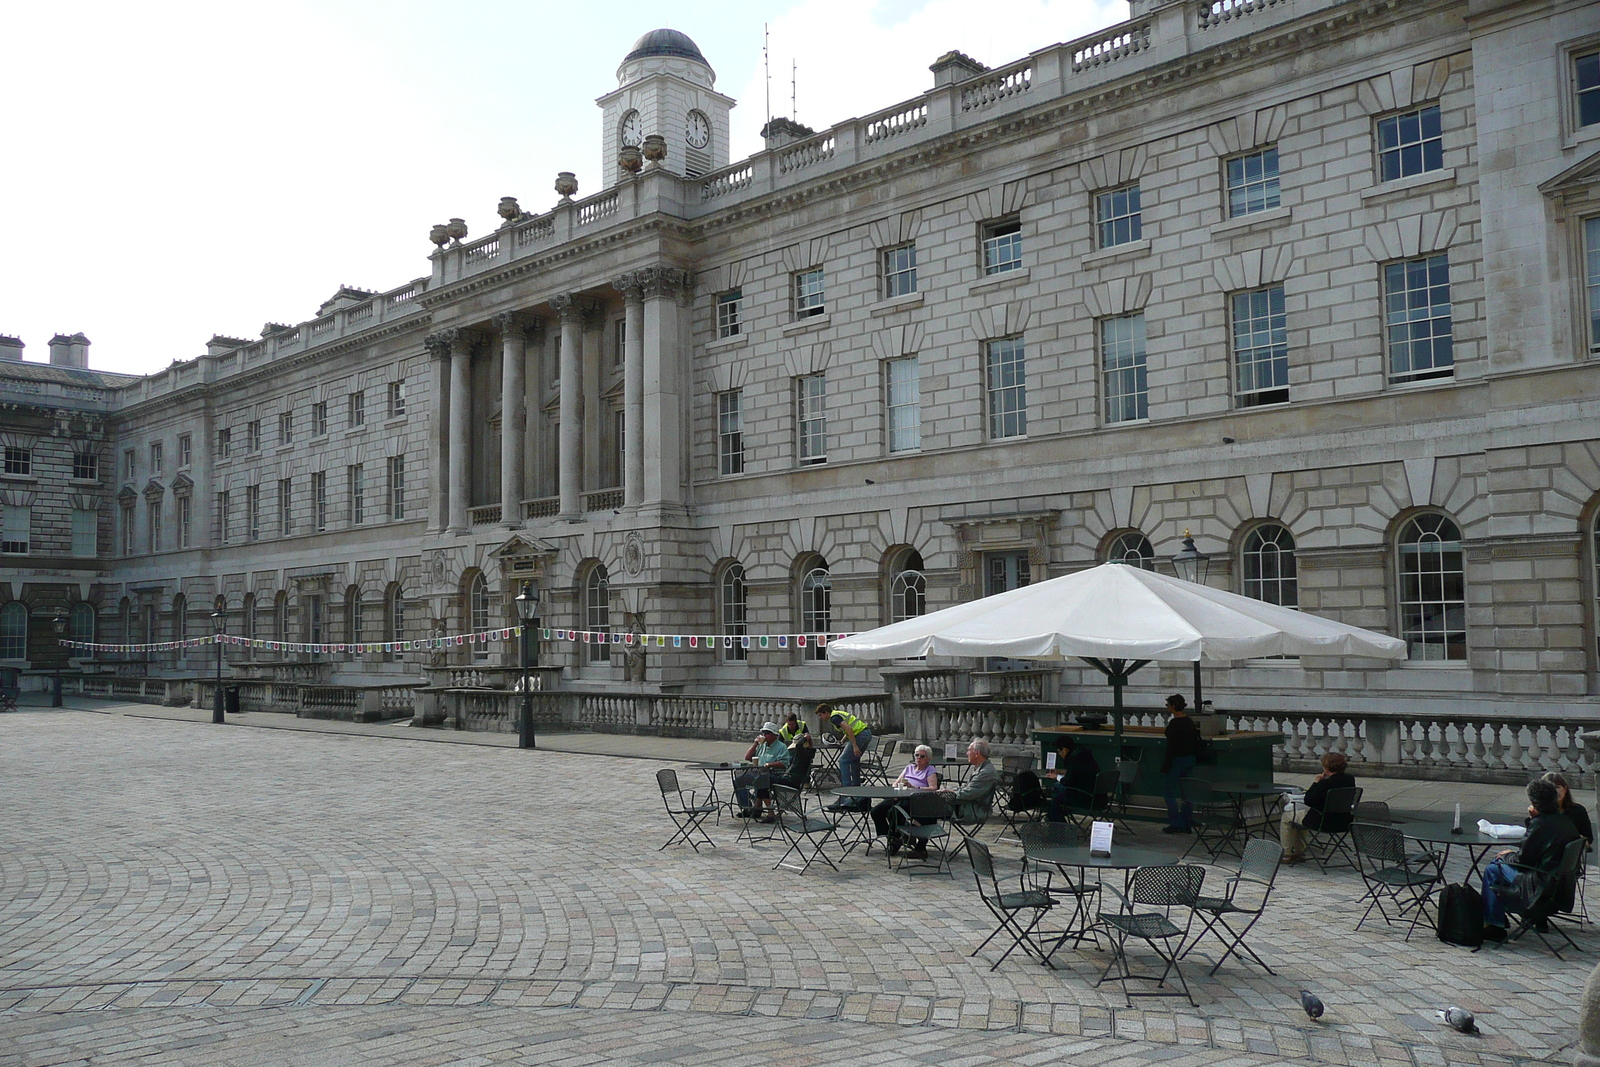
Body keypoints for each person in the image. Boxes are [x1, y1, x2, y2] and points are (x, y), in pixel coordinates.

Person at [1481, 777, 1582, 940]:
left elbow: (1522, 861)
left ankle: (1494, 924)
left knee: (1493, 869)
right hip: (1559, 885)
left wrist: (1507, 855)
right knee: (1498, 865)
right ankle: (1497, 919)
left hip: (1541, 884)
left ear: (1535, 803)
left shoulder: (1540, 823)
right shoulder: (1565, 822)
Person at [1280, 751, 1357, 864]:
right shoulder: (1350, 779)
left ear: (1326, 768)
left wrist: (1316, 783)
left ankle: (1289, 853)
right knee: (1303, 814)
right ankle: (1298, 851)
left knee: (1287, 817)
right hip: (1343, 820)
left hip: (1322, 821)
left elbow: (1308, 800)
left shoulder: (1324, 784)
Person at [930, 739, 1000, 860]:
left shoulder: (986, 772)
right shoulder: (980, 768)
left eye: (969, 750)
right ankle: (918, 840)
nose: (967, 753)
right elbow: (966, 789)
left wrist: (948, 795)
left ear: (977, 753)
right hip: (967, 805)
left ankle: (919, 842)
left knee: (927, 806)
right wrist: (950, 791)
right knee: (926, 804)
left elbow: (968, 793)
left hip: (973, 810)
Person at [873, 745, 940, 856]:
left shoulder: (930, 770)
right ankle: (893, 837)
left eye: (922, 756)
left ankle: (896, 841)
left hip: (916, 799)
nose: (918, 758)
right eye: (916, 755)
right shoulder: (909, 768)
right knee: (876, 811)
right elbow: (895, 783)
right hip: (900, 796)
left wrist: (914, 787)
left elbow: (933, 788)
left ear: (928, 758)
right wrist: (898, 787)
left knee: (894, 812)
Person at [1161, 694, 1204, 834]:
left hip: (1177, 760)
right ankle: (1186, 821)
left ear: (1173, 706)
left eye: (1168, 705)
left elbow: (1171, 747)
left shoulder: (1174, 724)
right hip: (1190, 759)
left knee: (1168, 791)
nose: (1167, 707)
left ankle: (1176, 822)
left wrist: (1165, 765)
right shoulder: (1189, 721)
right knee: (1187, 792)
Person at [818, 702, 873, 808]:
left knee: (843, 761)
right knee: (854, 761)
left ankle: (846, 794)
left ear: (825, 712)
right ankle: (857, 793)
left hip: (860, 735)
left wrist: (855, 746)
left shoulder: (834, 718)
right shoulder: (837, 714)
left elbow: (849, 729)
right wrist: (842, 741)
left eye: (821, 715)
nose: (820, 718)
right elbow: (848, 730)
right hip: (866, 733)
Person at [733, 722, 791, 821]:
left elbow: (784, 763)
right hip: (757, 772)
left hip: (772, 774)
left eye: (767, 733)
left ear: (774, 735)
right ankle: (747, 806)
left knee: (761, 780)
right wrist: (755, 744)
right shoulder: (761, 745)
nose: (765, 735)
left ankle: (760, 809)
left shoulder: (781, 747)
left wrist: (770, 765)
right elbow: (747, 757)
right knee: (739, 780)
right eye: (763, 733)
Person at [1045, 735, 1101, 823]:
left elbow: (1068, 782)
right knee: (1058, 797)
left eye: (1059, 751)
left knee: (1056, 792)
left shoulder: (1073, 759)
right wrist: (1062, 772)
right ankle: (1055, 815)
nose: (1060, 754)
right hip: (1098, 797)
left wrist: (1057, 777)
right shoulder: (1084, 755)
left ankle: (1057, 823)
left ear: (1064, 750)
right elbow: (1079, 774)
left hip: (1085, 799)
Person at [1541, 771, 1593, 845]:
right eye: (1550, 788)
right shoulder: (1540, 811)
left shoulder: (1578, 810)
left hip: (1571, 854)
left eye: (1557, 787)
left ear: (1565, 789)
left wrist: (1578, 840)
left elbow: (1588, 839)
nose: (1555, 791)